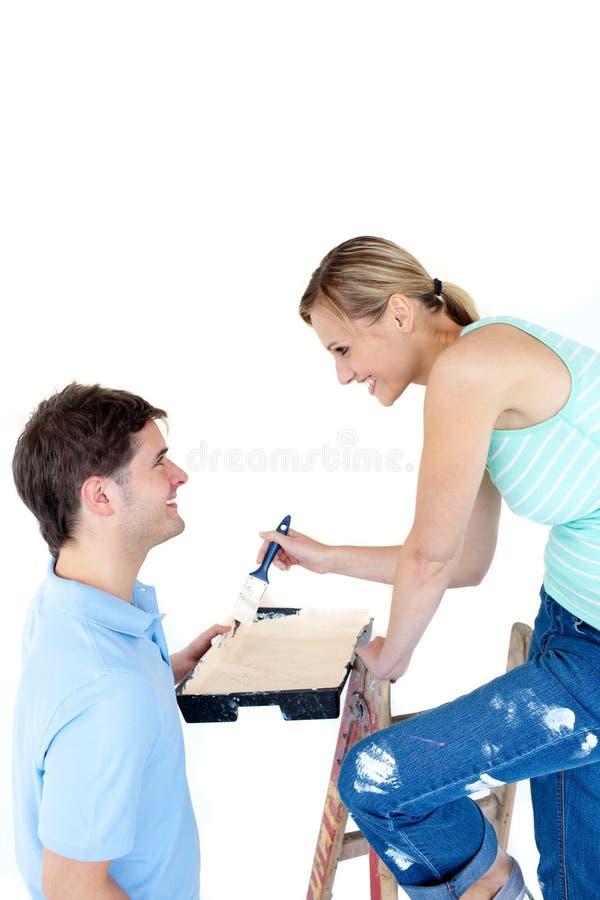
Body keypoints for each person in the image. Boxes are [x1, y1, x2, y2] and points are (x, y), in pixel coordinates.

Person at [257, 236, 600, 899]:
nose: (343, 374)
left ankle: (495, 888)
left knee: (379, 781)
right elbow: (465, 560)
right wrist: (327, 560)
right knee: (577, 884)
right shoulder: (477, 365)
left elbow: (434, 558)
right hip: (569, 624)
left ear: (398, 313)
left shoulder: (471, 369)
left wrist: (394, 652)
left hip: (591, 656)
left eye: (342, 349)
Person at [12, 383, 230, 900]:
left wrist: (166, 668)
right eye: (159, 464)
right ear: (101, 495)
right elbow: (71, 889)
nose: (180, 476)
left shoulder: (63, 604)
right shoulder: (110, 692)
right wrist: (133, 689)